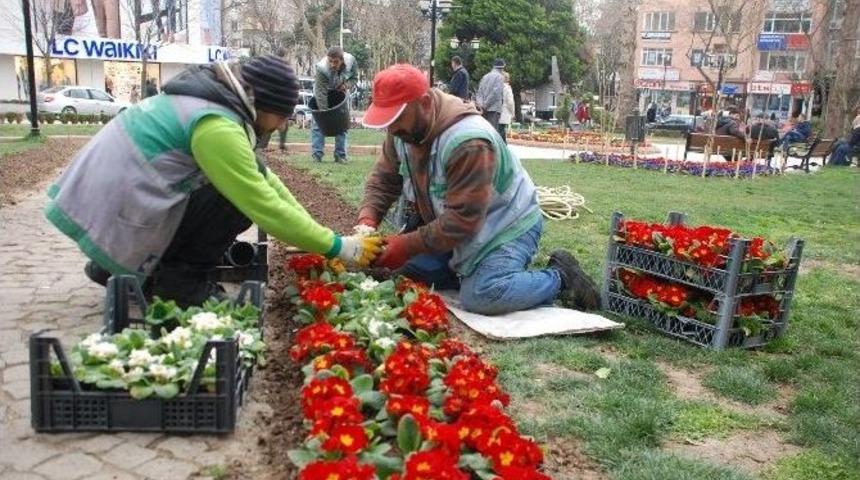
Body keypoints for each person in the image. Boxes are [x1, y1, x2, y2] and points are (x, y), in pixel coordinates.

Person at [45, 55, 382, 307]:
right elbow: (262, 203)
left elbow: (267, 180)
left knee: (242, 184)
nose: (281, 126)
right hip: (111, 208)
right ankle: (182, 283)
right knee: (232, 199)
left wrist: (322, 236)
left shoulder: (212, 103)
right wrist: (339, 247)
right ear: (262, 104)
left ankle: (113, 268)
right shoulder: (216, 125)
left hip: (111, 205)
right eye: (282, 115)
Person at [355, 64, 600, 315]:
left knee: (483, 295)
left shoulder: (468, 140)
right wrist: (367, 222)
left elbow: (461, 222)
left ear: (426, 103)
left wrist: (404, 246)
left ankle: (560, 277)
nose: (391, 129)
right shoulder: (402, 132)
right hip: (458, 226)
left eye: (396, 117)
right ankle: (461, 271)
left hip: (505, 225)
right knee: (409, 273)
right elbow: (384, 180)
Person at [311, 46, 357, 163]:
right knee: (318, 124)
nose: (332, 64)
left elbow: (354, 78)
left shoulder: (351, 61)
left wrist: (346, 85)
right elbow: (320, 92)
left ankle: (340, 155)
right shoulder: (322, 68)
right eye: (330, 61)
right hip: (324, 92)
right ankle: (317, 154)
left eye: (335, 62)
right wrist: (325, 113)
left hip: (339, 92)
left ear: (342, 60)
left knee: (342, 123)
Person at [475, 58, 506, 136]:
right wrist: (486, 104)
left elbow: (479, 93)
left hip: (482, 109)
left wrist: (481, 105)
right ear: (502, 68)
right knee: (492, 133)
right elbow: (495, 93)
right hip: (494, 109)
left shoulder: (485, 76)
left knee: (483, 132)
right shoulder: (500, 77)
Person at [498, 71, 515, 143]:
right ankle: (503, 147)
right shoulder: (507, 88)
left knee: (499, 130)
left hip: (496, 112)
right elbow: (510, 102)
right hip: (505, 111)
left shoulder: (497, 87)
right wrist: (512, 112)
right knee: (502, 130)